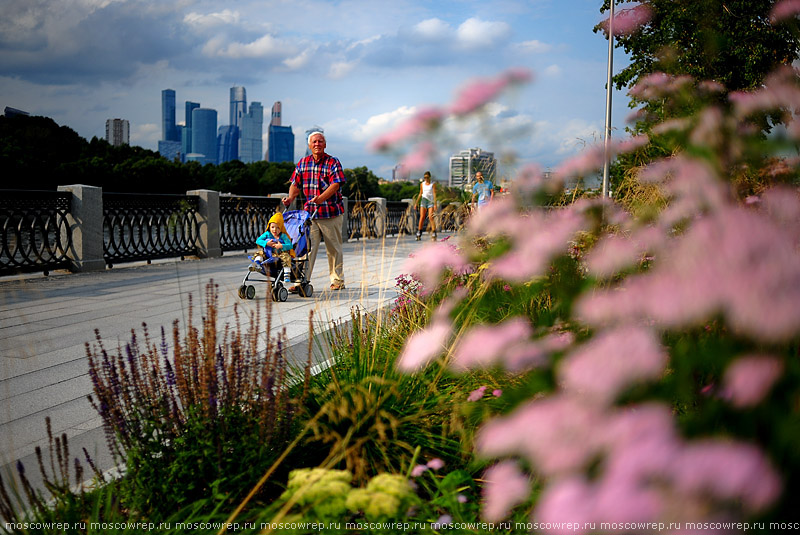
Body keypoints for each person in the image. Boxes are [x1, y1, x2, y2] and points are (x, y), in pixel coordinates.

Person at [282, 131, 347, 292]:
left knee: (334, 249)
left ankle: (337, 281)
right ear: (309, 145)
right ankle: (301, 282)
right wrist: (290, 198)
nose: (317, 144)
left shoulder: (333, 162)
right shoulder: (303, 162)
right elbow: (295, 184)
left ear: (325, 144)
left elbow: (336, 185)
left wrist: (321, 198)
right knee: (305, 249)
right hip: (309, 215)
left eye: (320, 141)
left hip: (330, 212)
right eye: (314, 142)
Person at [253, 212, 294, 285]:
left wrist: (281, 246)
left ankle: (287, 274)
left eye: (278, 227)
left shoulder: (283, 236)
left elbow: (290, 245)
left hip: (279, 254)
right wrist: (266, 243)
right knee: (259, 253)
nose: (274, 230)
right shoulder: (267, 234)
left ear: (281, 228)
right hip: (268, 253)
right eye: (273, 227)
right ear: (269, 227)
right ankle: (257, 264)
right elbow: (258, 240)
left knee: (286, 257)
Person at [416, 171, 437, 241]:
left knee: (431, 217)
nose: (426, 179)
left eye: (427, 177)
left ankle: (434, 232)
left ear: (430, 177)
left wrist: (435, 204)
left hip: (430, 201)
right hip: (423, 201)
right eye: (424, 177)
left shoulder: (432, 184)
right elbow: (420, 193)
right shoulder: (422, 184)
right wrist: (416, 203)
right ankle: (419, 232)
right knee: (422, 217)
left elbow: (434, 194)